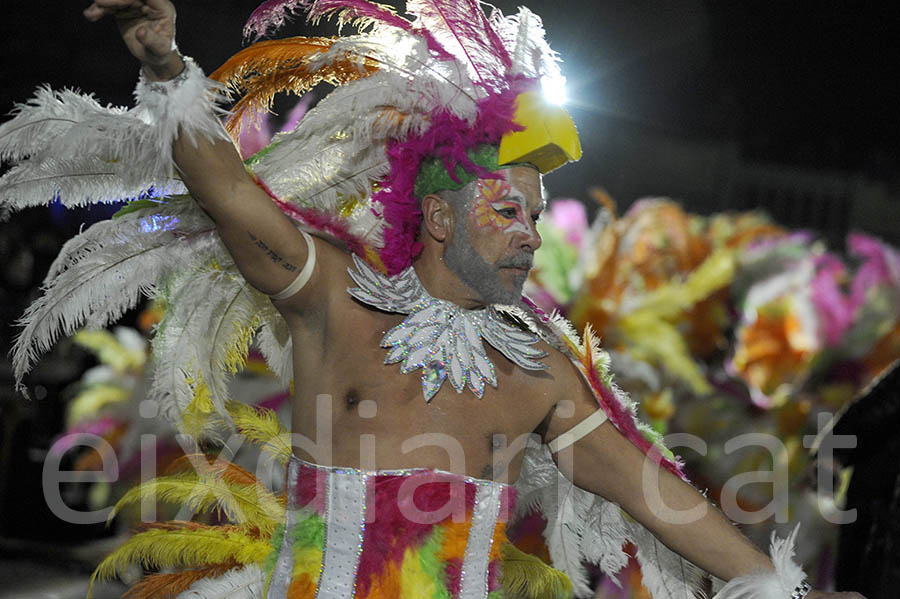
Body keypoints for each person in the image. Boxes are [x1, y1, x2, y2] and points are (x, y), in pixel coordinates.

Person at [0, 0, 866, 598]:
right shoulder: (334, 301)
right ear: (442, 217)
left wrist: (776, 586)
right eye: (508, 210)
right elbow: (229, 192)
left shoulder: (541, 377)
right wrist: (165, 67)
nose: (530, 231)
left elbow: (665, 500)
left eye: (533, 214)